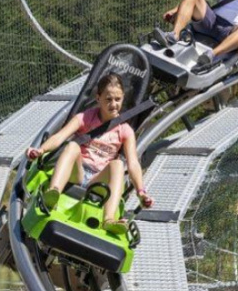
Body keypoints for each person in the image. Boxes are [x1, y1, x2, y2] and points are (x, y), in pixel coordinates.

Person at [26, 73, 154, 235]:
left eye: (118, 99)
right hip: (77, 173)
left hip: (98, 180)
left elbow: (133, 163)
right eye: (108, 99)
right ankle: (53, 193)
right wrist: (41, 150)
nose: (113, 104)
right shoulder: (85, 118)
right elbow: (60, 136)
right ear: (98, 98)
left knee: (118, 164)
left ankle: (108, 220)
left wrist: (141, 191)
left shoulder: (125, 130)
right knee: (72, 145)